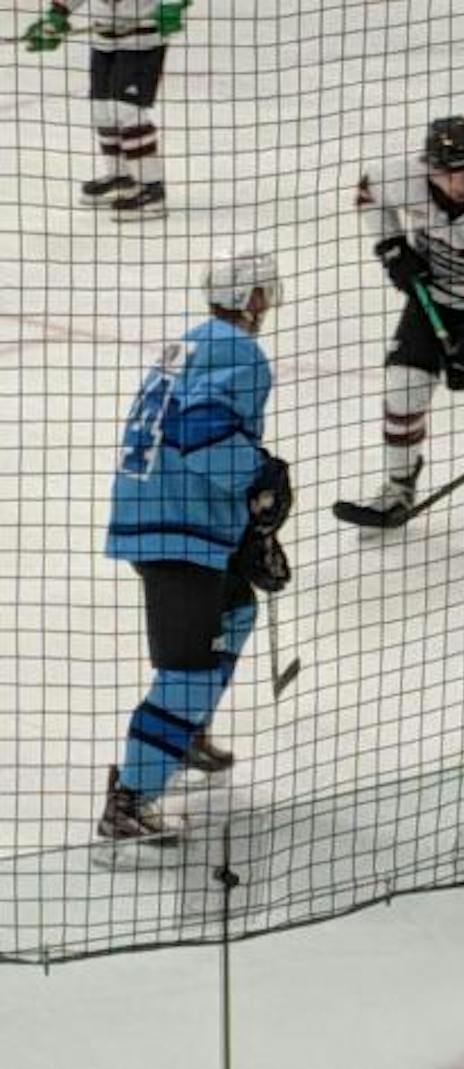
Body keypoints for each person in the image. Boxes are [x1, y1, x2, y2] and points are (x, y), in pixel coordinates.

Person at [100, 248, 291, 848]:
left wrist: (248, 532)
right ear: (253, 299)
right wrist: (260, 479)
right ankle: (129, 802)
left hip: (163, 517)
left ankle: (184, 734)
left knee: (236, 611)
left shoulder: (188, 343)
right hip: (177, 530)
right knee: (187, 671)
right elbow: (200, 433)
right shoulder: (241, 351)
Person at [345, 117, 464, 564]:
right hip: (433, 301)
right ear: (428, 167)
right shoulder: (402, 177)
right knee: (402, 388)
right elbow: (366, 191)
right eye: (450, 172)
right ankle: (399, 486)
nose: (460, 183)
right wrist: (392, 247)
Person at [22, 0, 190, 218]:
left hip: (143, 40)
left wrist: (172, 5)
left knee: (126, 110)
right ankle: (122, 177)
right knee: (101, 111)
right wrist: (57, 15)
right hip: (104, 40)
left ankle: (152, 188)